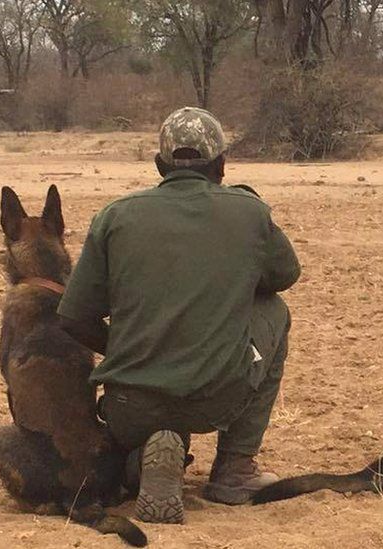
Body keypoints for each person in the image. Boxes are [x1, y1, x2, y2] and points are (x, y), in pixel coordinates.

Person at [58, 107, 301, 523]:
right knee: (274, 311)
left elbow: (73, 317)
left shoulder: (115, 216)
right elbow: (284, 275)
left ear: (159, 165)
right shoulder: (248, 212)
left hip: (128, 408)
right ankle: (234, 469)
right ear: (222, 165)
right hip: (215, 400)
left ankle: (144, 461)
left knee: (144, 412)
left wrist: (126, 346)